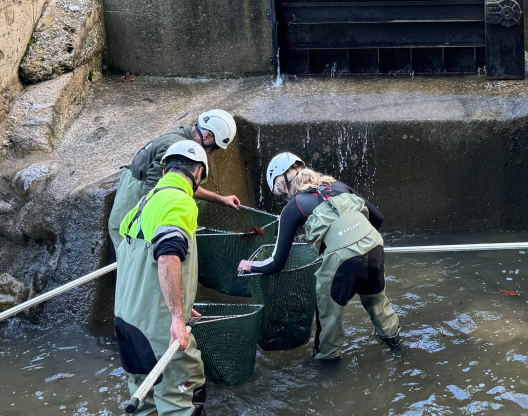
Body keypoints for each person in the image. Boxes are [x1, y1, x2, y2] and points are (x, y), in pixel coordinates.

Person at [237, 153, 401, 360]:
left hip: (342, 259)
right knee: (377, 300)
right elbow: (378, 218)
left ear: (280, 186)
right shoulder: (338, 185)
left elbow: (276, 262)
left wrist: (252, 266)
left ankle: (328, 367)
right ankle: (397, 348)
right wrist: (358, 241)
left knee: (328, 317)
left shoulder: (293, 207)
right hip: (373, 245)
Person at [114, 140, 208, 416]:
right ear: (198, 173)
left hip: (126, 321)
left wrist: (178, 296)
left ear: (165, 169)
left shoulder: (144, 203)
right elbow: (167, 256)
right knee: (182, 393)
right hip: (157, 329)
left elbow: (138, 259)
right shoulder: (181, 201)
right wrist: (177, 316)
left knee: (142, 394)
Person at [108, 109, 241, 254]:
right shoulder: (174, 149)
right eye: (214, 148)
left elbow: (183, 184)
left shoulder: (185, 141)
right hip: (135, 196)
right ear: (207, 135)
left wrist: (221, 199)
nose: (211, 153)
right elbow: (151, 191)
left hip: (145, 191)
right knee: (133, 249)